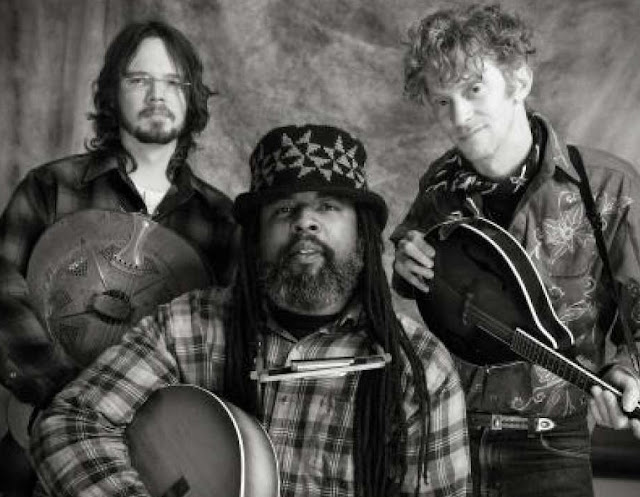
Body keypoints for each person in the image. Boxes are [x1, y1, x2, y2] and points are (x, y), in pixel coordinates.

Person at [29, 123, 471, 497]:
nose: (304, 222)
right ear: (257, 236)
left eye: (327, 206)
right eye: (284, 209)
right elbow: (70, 422)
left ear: (362, 234)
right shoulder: (187, 326)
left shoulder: (421, 368)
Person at [391, 4, 640, 497]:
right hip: (444, 437)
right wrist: (405, 264)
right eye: (442, 101)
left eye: (473, 90)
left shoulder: (608, 187)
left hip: (551, 447)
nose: (459, 117)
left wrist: (628, 374)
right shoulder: (438, 186)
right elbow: (415, 267)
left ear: (519, 81)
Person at [0, 19, 237, 495]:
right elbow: (1, 291)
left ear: (192, 97)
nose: (157, 94)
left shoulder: (221, 221)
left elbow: (227, 341)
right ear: (112, 92)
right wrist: (66, 394)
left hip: (162, 449)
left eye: (173, 82)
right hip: (41, 434)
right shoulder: (50, 188)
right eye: (139, 79)